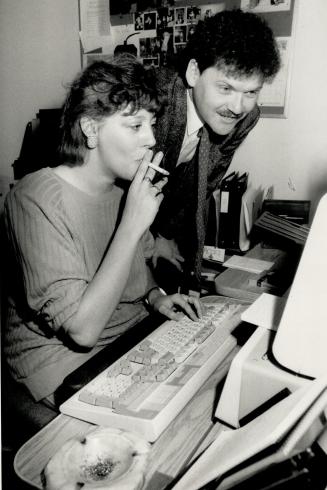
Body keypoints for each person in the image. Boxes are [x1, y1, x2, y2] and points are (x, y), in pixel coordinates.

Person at [3, 55, 202, 406]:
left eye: (152, 124)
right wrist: (133, 223)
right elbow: (81, 331)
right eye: (135, 126)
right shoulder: (34, 198)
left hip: (126, 337)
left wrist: (156, 297)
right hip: (65, 363)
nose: (152, 140)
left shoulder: (122, 191)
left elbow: (136, 270)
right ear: (91, 129)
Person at [151, 8, 281, 293]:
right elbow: (115, 193)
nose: (237, 107)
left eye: (250, 92)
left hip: (163, 220)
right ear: (194, 72)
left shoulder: (246, 116)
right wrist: (151, 239)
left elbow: (206, 180)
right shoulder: (154, 102)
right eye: (225, 88)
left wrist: (164, 232)